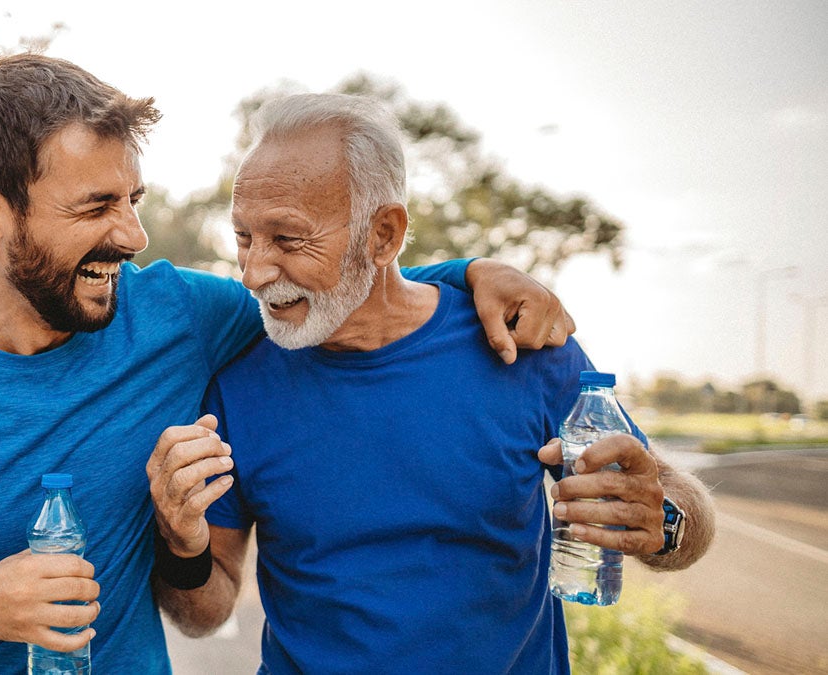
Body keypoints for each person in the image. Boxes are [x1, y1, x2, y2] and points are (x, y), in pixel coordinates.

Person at [0, 54, 577, 674]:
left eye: (132, 199)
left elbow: (337, 289)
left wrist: (468, 273)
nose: (131, 236)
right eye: (95, 207)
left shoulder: (178, 317)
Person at [147, 93, 716, 674]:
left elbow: (682, 509)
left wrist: (663, 522)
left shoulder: (520, 344)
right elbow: (206, 613)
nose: (254, 272)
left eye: (289, 240)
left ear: (384, 235)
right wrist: (181, 542)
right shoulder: (238, 389)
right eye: (243, 237)